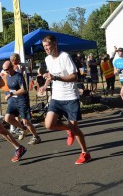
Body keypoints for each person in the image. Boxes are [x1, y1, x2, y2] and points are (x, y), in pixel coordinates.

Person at [39, 35, 91, 164]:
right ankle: (68, 129)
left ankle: (85, 153)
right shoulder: (47, 59)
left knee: (75, 128)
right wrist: (44, 86)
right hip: (56, 97)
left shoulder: (65, 56)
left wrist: (56, 78)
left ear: (55, 44)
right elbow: (50, 76)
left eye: (48, 46)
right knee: (49, 125)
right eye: (44, 46)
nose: (46, 48)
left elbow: (74, 77)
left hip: (70, 97)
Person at [3, 60, 41, 145]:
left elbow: (24, 90)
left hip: (22, 101)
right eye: (4, 70)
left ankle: (36, 137)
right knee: (7, 118)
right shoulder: (7, 77)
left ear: (12, 67)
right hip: (13, 101)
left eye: (6, 69)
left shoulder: (18, 76)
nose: (5, 71)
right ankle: (23, 129)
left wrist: (11, 94)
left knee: (26, 121)